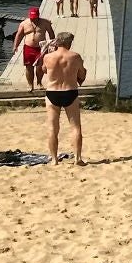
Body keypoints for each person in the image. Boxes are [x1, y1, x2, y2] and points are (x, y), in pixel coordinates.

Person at [39, 31, 87, 166]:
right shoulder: (75, 56)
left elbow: (44, 70)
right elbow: (81, 75)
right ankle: (78, 159)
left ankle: (54, 160)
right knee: (75, 127)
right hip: (70, 91)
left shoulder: (48, 57)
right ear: (68, 43)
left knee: (53, 128)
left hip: (52, 92)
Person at [14, 5, 55, 92]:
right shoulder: (24, 23)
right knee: (29, 67)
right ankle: (30, 84)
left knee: (40, 67)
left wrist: (52, 45)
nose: (33, 19)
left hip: (41, 47)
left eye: (35, 17)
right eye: (32, 17)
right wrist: (15, 46)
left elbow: (51, 33)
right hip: (28, 47)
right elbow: (19, 35)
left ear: (38, 15)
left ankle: (39, 82)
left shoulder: (45, 23)